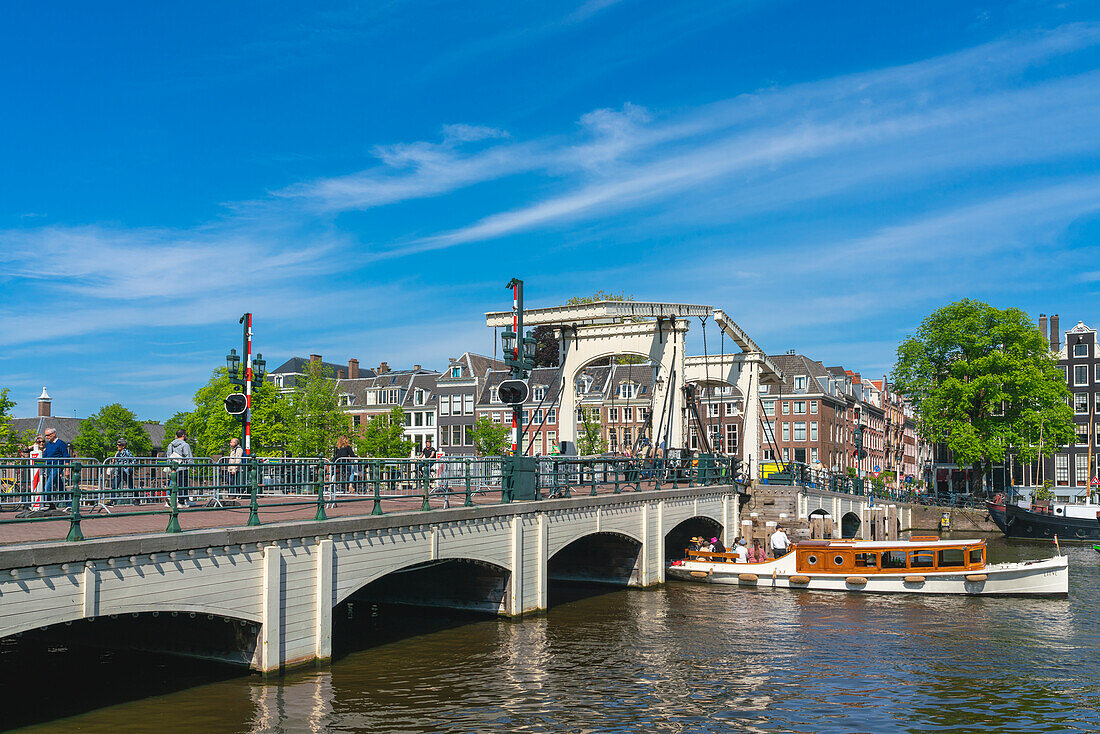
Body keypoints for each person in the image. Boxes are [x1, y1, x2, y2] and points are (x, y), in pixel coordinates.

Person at [42, 428, 70, 509]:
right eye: (46, 435)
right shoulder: (48, 444)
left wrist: (67, 470)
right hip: (49, 467)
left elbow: (66, 456)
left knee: (48, 485)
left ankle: (48, 503)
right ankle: (68, 502)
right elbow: (45, 456)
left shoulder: (60, 443)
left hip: (56, 467)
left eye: (48, 435)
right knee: (59, 485)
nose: (46, 437)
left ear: (53, 434)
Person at [165, 429, 194, 507]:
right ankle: (181, 502)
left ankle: (171, 499)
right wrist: (192, 466)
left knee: (173, 484)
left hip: (173, 468)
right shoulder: (185, 445)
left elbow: (168, 456)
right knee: (183, 485)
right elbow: (188, 456)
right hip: (182, 467)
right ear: (183, 435)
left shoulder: (171, 444)